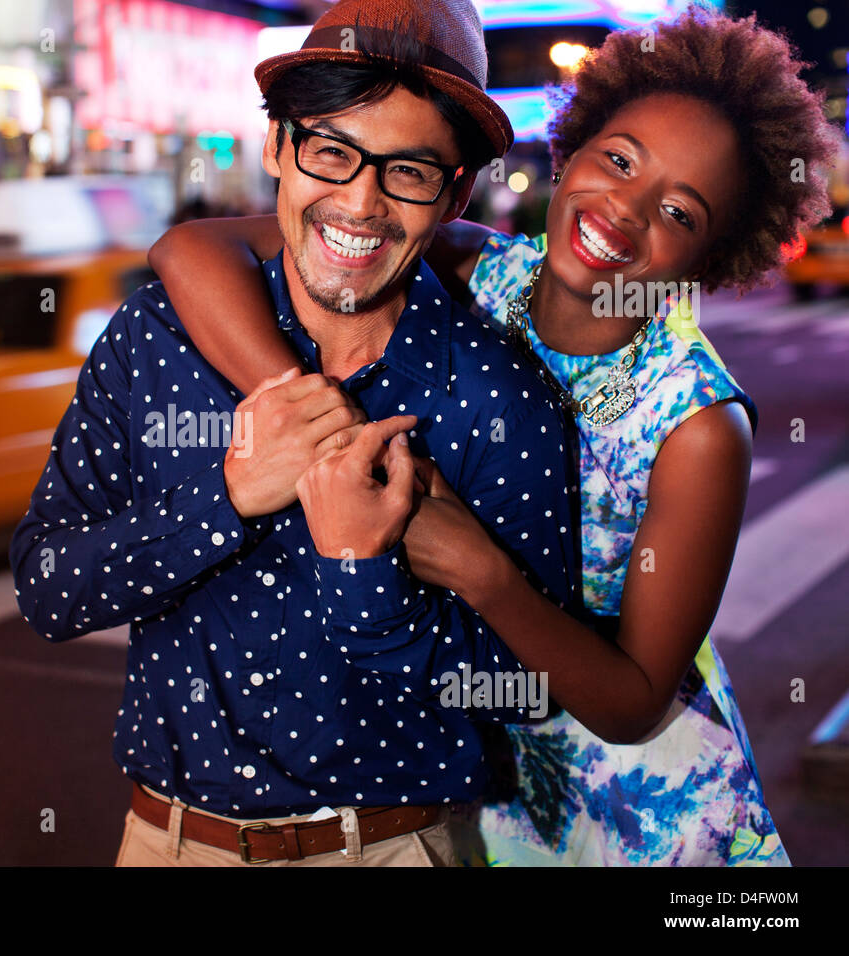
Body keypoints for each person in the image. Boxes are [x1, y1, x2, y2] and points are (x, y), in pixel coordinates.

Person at [145, 6, 837, 865]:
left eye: (681, 213)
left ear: (713, 257)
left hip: (641, 821)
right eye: (619, 161)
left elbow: (632, 703)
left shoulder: (697, 423)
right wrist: (317, 425)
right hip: (468, 784)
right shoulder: (472, 268)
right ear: (570, 150)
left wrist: (480, 571)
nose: (625, 208)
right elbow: (191, 251)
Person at [12, 0, 581, 867]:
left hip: (393, 848)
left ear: (455, 193)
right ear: (278, 146)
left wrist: (370, 583)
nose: (360, 203)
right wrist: (229, 496)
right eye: (331, 151)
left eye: (410, 172)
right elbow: (49, 591)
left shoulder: (501, 395)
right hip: (169, 843)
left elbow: (532, 685)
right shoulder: (156, 337)